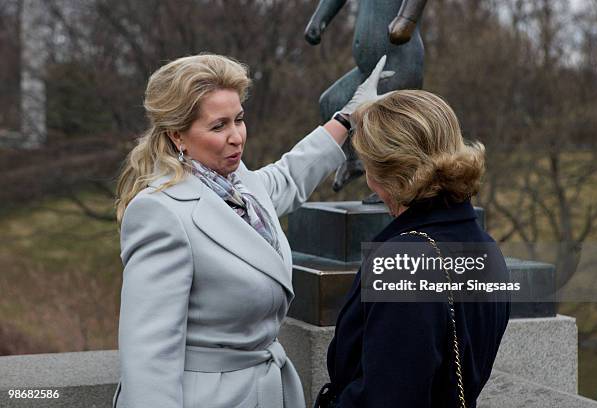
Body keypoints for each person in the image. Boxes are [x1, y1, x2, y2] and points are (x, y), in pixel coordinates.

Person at [112, 53, 393, 408]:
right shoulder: (160, 212)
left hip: (266, 391)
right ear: (177, 136)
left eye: (239, 120)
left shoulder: (237, 183)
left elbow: (289, 175)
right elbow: (148, 355)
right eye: (219, 126)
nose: (236, 137)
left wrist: (347, 117)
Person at [319, 90, 511, 407]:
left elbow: (385, 398)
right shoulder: (485, 247)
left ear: (387, 172)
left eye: (368, 165)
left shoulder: (405, 262)